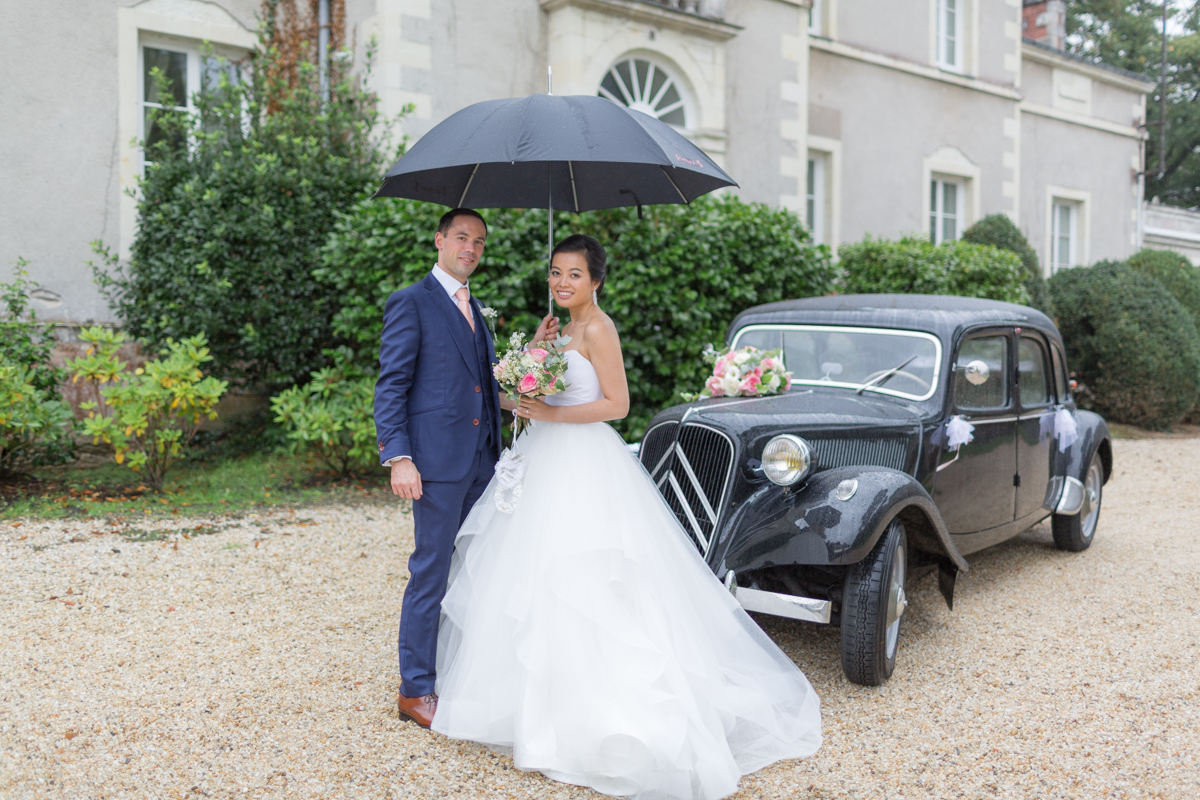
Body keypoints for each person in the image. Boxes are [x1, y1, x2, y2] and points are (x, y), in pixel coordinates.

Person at [431, 234, 822, 800]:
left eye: (574, 274)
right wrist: (524, 377)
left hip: (583, 464)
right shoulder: (558, 331)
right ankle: (531, 711)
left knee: (586, 579)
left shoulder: (600, 329)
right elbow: (534, 400)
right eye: (555, 273)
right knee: (533, 579)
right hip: (541, 460)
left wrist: (549, 412)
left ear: (596, 281)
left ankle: (599, 717)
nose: (562, 283)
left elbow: (618, 405)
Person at [375, 208, 558, 728]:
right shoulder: (412, 302)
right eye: (462, 238)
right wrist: (400, 457)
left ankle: (460, 669)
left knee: (478, 569)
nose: (471, 249)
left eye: (479, 242)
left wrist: (534, 358)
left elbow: (482, 389)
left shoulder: (474, 308)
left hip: (482, 461)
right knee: (430, 571)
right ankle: (415, 690)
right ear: (439, 240)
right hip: (433, 464)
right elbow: (391, 385)